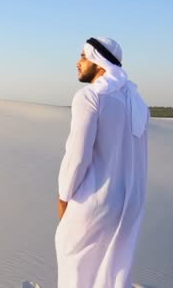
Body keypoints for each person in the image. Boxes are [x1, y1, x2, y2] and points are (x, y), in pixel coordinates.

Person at [55, 37, 149, 287]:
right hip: (130, 204)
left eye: (83, 56)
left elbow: (77, 155)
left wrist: (63, 197)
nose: (78, 62)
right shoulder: (137, 102)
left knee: (74, 266)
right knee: (112, 271)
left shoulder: (90, 97)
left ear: (99, 61)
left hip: (94, 201)